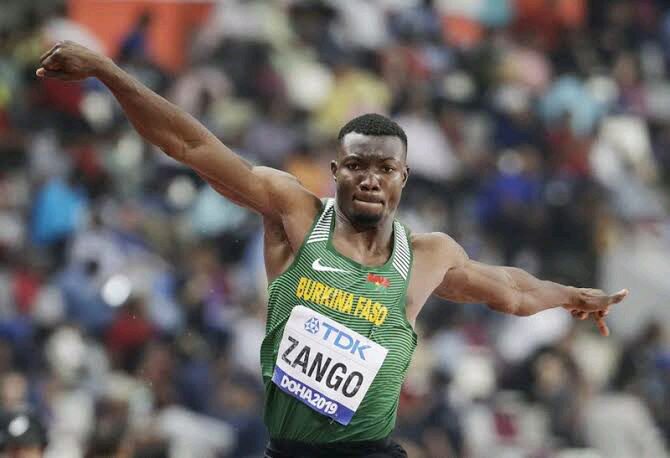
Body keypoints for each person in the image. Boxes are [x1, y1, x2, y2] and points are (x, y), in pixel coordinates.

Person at [35, 41, 629, 458]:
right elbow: (189, 145)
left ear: (403, 179)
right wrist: (109, 72)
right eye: (359, 166)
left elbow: (514, 291)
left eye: (385, 168)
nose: (371, 178)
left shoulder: (427, 255)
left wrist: (572, 295)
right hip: (288, 451)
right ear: (336, 171)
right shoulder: (293, 214)